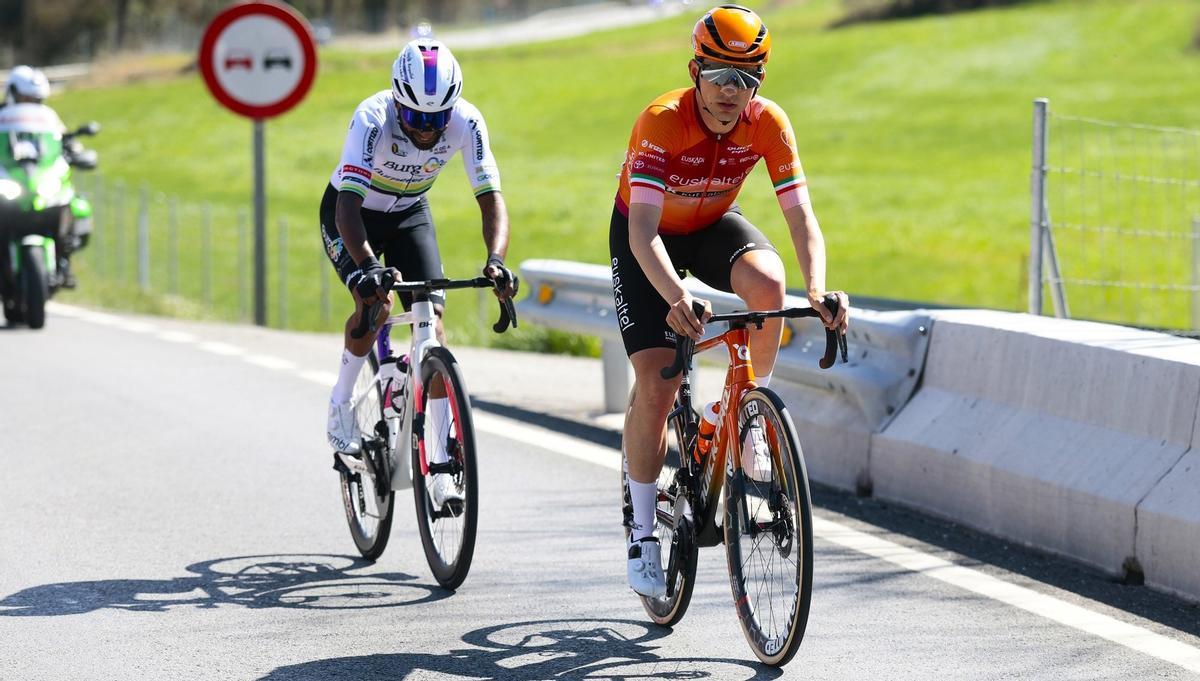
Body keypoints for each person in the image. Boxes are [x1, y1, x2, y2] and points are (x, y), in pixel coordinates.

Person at [610, 5, 850, 597]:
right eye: (718, 74)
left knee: (769, 285)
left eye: (745, 79)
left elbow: (801, 217)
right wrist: (676, 296)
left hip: (715, 224)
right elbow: (642, 233)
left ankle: (744, 415)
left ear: (759, 83)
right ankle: (643, 531)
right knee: (659, 384)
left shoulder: (768, 123)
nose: (729, 90)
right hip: (648, 237)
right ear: (695, 70)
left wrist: (817, 287)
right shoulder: (662, 122)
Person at [320, 38, 515, 509]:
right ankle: (341, 402)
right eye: (415, 117)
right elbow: (346, 207)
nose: (427, 130)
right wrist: (368, 268)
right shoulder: (371, 118)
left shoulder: (467, 121)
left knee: (433, 323)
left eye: (437, 118)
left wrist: (496, 259)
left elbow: (491, 198)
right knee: (376, 302)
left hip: (410, 212)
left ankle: (441, 463)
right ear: (396, 101)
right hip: (353, 215)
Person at [2, 65, 94, 287]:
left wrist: (77, 152)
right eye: (26, 98)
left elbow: (65, 141)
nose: (30, 104)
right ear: (13, 93)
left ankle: (64, 260)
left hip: (39, 183)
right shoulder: (2, 117)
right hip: (10, 182)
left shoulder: (49, 119)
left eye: (36, 99)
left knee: (75, 204)